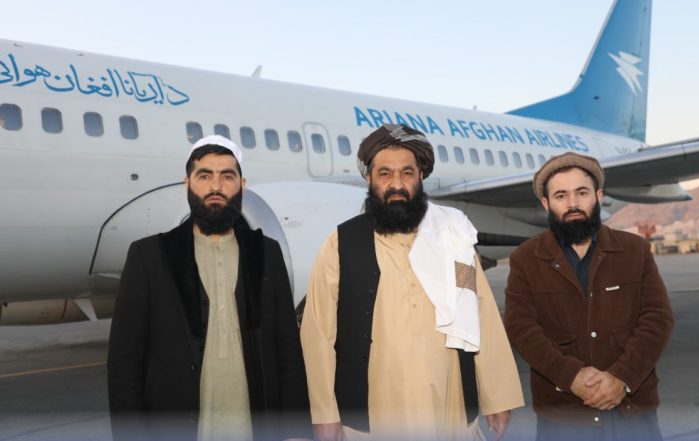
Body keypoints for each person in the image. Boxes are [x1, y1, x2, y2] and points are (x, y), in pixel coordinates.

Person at [300, 124, 524, 441]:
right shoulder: (341, 242)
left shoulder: (453, 238)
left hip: (448, 401)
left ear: (420, 177)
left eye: (406, 173)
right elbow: (318, 333)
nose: (397, 184)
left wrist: (497, 395)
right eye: (385, 174)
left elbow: (480, 312)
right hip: (374, 413)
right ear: (369, 179)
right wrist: (324, 413)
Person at [107, 135, 309, 441]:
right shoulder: (149, 257)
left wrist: (296, 431)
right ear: (187, 184)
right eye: (204, 176)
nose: (216, 186)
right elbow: (125, 363)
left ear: (242, 185)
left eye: (227, 176)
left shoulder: (266, 253)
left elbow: (288, 352)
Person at [504, 152, 674, 441]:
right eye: (560, 195)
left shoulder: (634, 251)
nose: (572, 204)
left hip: (632, 412)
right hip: (563, 416)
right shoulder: (526, 258)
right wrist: (570, 376)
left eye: (581, 193)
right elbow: (521, 327)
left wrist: (623, 378)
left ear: (599, 196)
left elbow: (657, 319)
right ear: (546, 203)